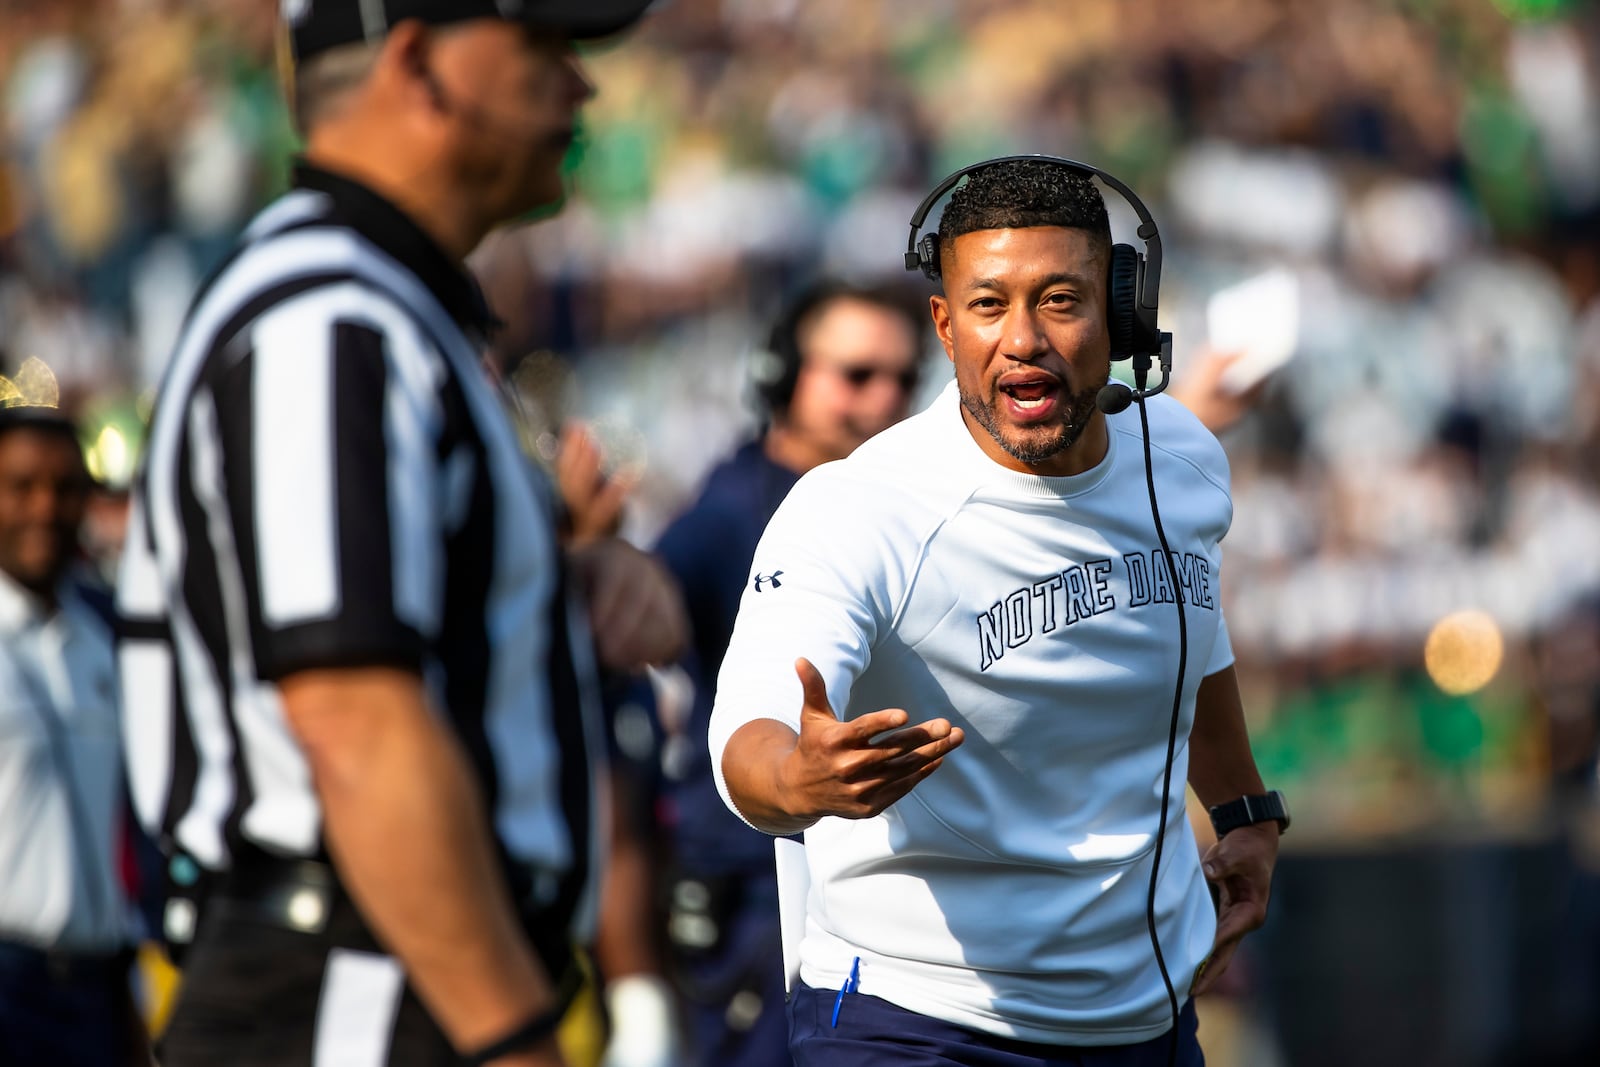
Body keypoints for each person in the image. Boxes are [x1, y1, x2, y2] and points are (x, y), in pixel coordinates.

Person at [114, 2, 685, 1065]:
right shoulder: (330, 320)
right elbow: (353, 716)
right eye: (545, 48)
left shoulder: (377, 306)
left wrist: (563, 583)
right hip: (358, 983)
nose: (582, 87)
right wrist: (513, 1037)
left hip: (383, 973)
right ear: (419, 62)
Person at [709, 158, 1284, 1065]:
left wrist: (1245, 807)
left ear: (1122, 312)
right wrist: (796, 778)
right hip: (915, 1022)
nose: (1023, 339)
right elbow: (751, 734)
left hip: (1149, 1018)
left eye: (1060, 299)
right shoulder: (859, 506)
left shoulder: (1181, 458)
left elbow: (1189, 624)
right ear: (943, 322)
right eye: (987, 305)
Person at [655, 281, 925, 1065]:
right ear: (781, 375)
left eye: (902, 380)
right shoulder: (726, 516)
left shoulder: (895, 500)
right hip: (755, 881)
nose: (883, 398)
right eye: (856, 374)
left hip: (868, 882)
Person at [0, 400, 147, 1066]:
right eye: (21, 487)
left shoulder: (107, 635)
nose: (44, 508)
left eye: (63, 489)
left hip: (99, 983)